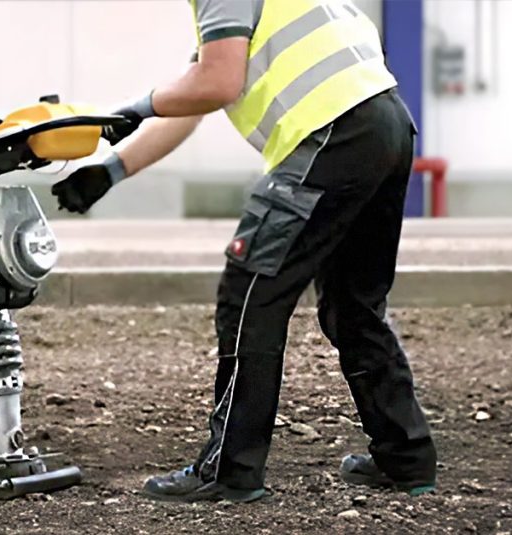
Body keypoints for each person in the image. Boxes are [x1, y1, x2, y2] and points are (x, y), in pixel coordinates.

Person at [51, 0, 437, 503]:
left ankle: (230, 468)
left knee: (251, 290)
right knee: (353, 304)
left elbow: (218, 83)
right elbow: (200, 95)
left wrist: (134, 107)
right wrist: (112, 169)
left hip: (331, 133)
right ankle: (406, 457)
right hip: (384, 125)